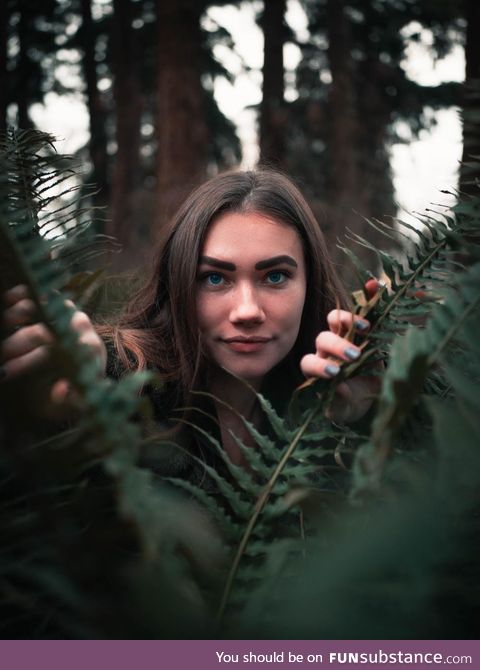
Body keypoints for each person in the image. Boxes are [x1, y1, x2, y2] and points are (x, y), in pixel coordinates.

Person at [0, 168, 377, 472]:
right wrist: (82, 390)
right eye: (215, 278)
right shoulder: (123, 380)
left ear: (310, 285)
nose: (247, 311)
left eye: (275, 276)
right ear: (179, 283)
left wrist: (373, 426)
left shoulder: (332, 399)